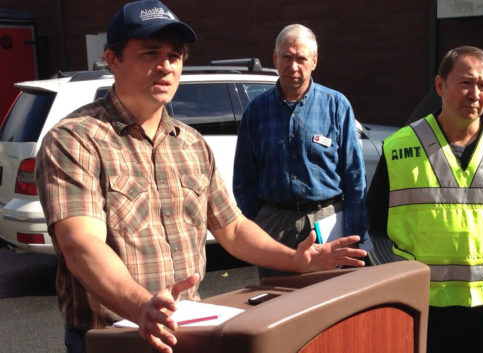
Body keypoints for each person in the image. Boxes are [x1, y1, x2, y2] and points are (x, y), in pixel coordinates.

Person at [34, 3, 366, 353]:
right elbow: (81, 246)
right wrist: (140, 306)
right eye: (150, 53)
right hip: (115, 338)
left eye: (174, 56)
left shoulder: (191, 144)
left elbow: (233, 228)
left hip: (187, 332)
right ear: (113, 59)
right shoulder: (75, 139)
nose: (165, 66)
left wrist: (296, 259)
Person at [366, 46, 483, 353]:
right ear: (439, 86)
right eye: (465, 82)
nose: (474, 93)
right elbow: (378, 218)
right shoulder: (400, 148)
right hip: (424, 301)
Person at [233, 24, 370, 278]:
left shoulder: (337, 106)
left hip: (327, 223)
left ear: (314, 62)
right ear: (275, 58)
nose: (293, 66)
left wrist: (354, 235)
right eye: (286, 57)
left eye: (301, 59)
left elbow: (354, 176)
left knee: (328, 304)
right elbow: (243, 179)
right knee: (276, 303)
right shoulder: (256, 111)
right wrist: (260, 221)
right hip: (274, 227)